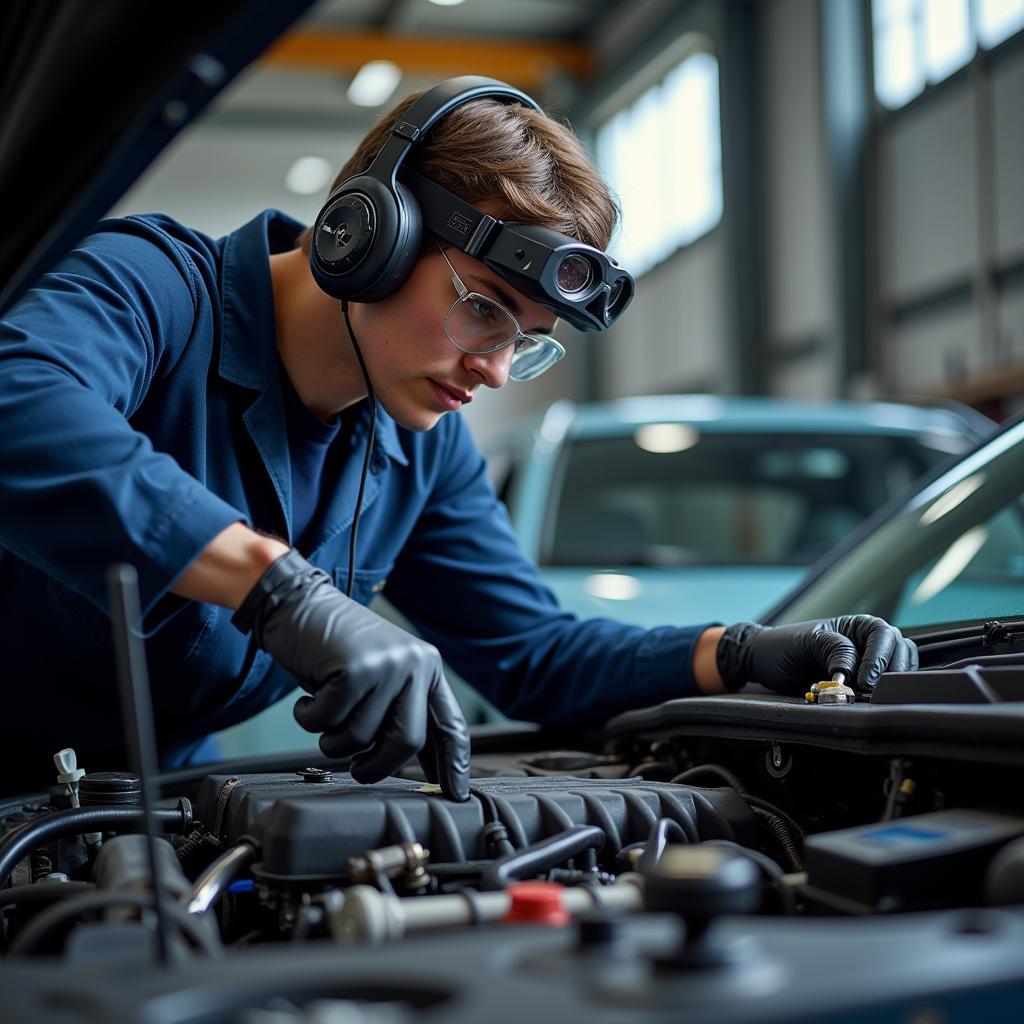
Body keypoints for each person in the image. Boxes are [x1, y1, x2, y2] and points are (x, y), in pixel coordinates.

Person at [0, 78, 917, 801]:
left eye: (525, 344)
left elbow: (533, 655)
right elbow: (18, 401)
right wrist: (281, 591)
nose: (489, 372)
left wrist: (743, 653)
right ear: (367, 234)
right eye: (483, 308)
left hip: (125, 817)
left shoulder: (419, 444)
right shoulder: (153, 286)